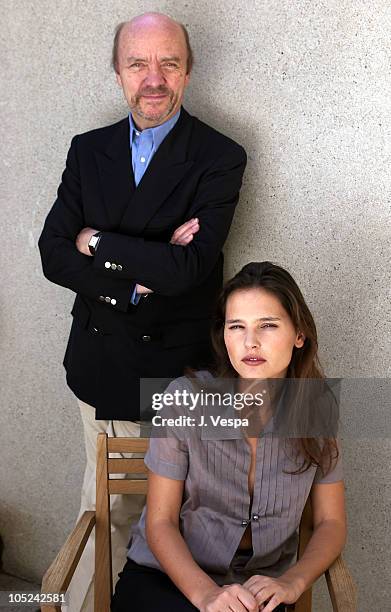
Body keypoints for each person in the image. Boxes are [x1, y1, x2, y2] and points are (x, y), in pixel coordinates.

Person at [38, 12, 247, 611]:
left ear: (188, 70)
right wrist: (135, 280)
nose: (153, 79)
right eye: (137, 63)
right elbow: (54, 253)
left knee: (181, 525)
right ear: (117, 71)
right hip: (100, 362)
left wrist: (100, 242)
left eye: (169, 63)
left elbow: (190, 270)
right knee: (107, 513)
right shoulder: (88, 150)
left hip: (176, 376)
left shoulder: (219, 155)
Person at [112, 261, 346, 612]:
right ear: (224, 335)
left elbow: (331, 522)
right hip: (169, 577)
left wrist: (292, 582)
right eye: (236, 326)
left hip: (260, 587)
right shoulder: (185, 399)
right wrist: (206, 595)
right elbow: (160, 522)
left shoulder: (318, 408)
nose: (250, 342)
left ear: (299, 334)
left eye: (267, 325)